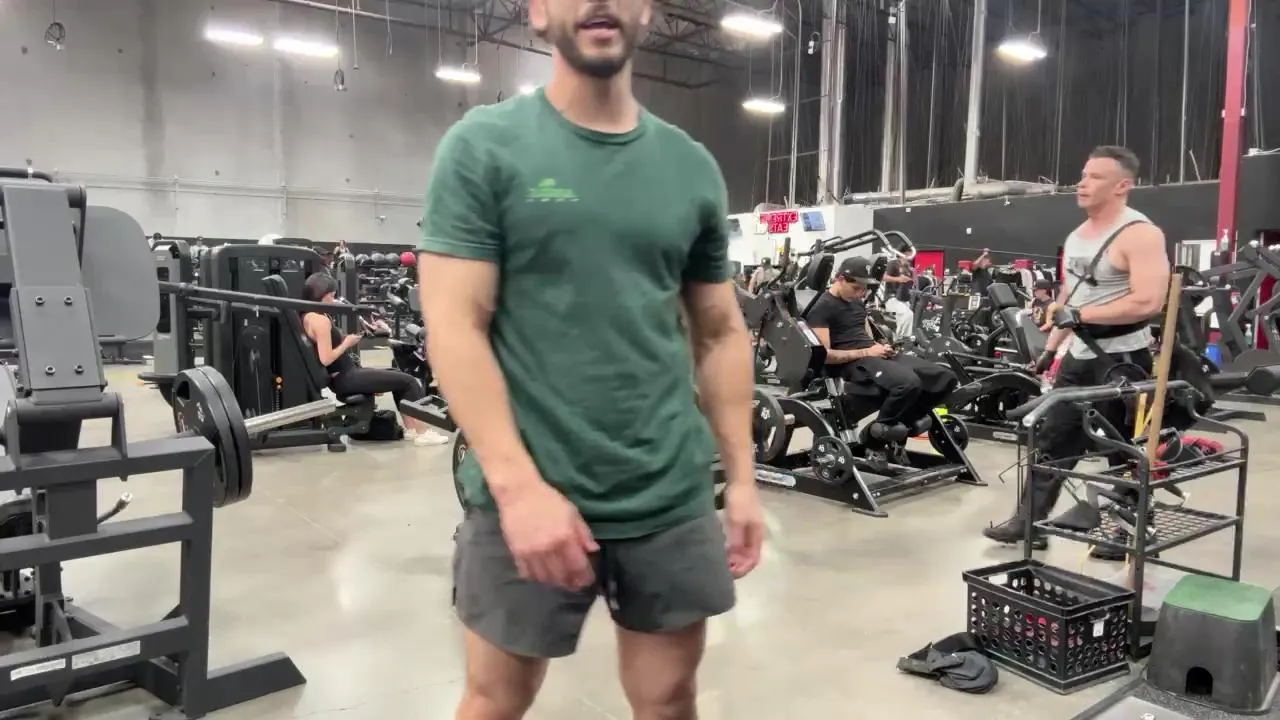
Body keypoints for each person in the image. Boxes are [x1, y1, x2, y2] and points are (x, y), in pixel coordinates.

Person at [416, 0, 765, 717]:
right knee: (494, 701)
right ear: (539, 13)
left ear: (649, 12)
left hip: (668, 493)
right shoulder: (484, 147)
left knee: (669, 700)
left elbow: (720, 332)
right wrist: (518, 488)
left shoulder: (689, 167)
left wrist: (742, 479)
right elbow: (454, 324)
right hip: (529, 488)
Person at [983, 146, 1169, 557]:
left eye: (1095, 177)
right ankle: (1029, 522)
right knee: (1053, 438)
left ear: (1122, 185)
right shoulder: (1076, 236)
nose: (1082, 183)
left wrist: (1080, 315)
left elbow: (1149, 301)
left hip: (1121, 362)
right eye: (1083, 174)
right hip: (1078, 358)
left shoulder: (1141, 234)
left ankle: (1134, 532)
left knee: (1120, 448)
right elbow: (1069, 296)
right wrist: (1051, 348)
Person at [805, 257, 959, 470]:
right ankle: (874, 440)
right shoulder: (821, 308)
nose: (860, 293)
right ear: (840, 279)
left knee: (945, 378)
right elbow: (826, 356)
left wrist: (882, 347)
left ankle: (898, 424)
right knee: (907, 383)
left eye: (864, 289)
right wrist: (868, 351)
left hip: (872, 356)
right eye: (856, 288)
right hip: (851, 364)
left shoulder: (857, 303)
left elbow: (868, 338)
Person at [299, 273, 449, 447]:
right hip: (346, 378)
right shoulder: (320, 321)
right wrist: (347, 343)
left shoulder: (308, 315)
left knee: (397, 375)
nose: (333, 301)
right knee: (408, 381)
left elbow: (329, 346)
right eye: (331, 297)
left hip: (345, 374)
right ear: (320, 295)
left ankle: (412, 430)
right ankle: (423, 433)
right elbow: (325, 359)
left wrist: (349, 337)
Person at [881, 253, 916, 340]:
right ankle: (902, 339)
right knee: (908, 314)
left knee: (907, 319)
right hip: (891, 298)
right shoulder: (893, 263)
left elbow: (910, 284)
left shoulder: (909, 269)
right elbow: (884, 277)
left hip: (904, 299)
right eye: (907, 254)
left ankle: (901, 339)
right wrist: (898, 279)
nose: (910, 257)